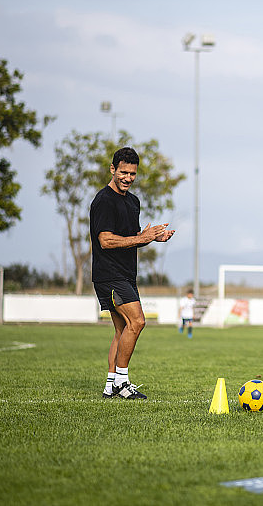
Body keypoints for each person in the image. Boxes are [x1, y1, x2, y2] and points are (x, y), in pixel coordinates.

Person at [91, 146, 175, 400]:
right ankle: (122, 382)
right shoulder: (103, 201)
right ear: (112, 170)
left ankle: (110, 385)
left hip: (126, 274)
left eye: (132, 174)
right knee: (138, 321)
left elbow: (131, 239)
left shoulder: (133, 201)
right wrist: (141, 238)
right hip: (109, 274)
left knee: (122, 330)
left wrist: (152, 238)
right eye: (123, 172)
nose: (128, 178)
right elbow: (106, 240)